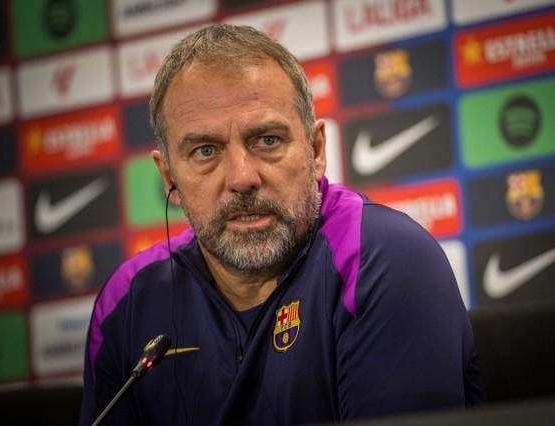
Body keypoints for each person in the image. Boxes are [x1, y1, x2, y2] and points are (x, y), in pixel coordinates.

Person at [79, 24, 481, 425]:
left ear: (315, 150)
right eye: (205, 150)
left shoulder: (382, 258)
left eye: (267, 140)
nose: (241, 178)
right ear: (169, 177)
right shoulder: (127, 301)